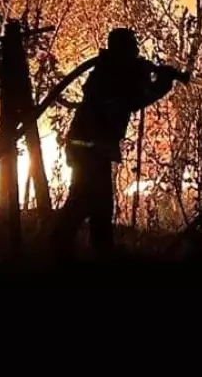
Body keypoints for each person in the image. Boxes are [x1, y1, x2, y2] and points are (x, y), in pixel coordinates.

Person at [48, 28, 188, 257]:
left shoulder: (113, 69)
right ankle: (62, 249)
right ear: (122, 48)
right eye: (132, 46)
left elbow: (134, 93)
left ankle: (96, 251)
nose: (137, 50)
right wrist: (162, 83)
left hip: (91, 147)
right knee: (87, 199)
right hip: (88, 147)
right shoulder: (111, 73)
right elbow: (135, 99)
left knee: (98, 202)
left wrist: (153, 77)